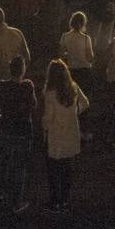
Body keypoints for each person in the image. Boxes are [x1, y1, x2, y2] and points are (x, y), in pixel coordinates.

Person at [40, 59, 88, 213]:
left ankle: (55, 201)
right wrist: (74, 113)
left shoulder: (50, 93)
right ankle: (65, 200)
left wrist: (44, 128)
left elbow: (48, 116)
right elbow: (86, 102)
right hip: (71, 132)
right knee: (67, 168)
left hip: (56, 134)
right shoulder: (73, 87)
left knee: (54, 169)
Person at [0, 56, 36, 214]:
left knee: (4, 161)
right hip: (23, 129)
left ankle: (0, 193)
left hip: (7, 128)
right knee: (19, 166)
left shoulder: (3, 86)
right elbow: (33, 105)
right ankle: (16, 201)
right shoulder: (27, 86)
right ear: (23, 69)